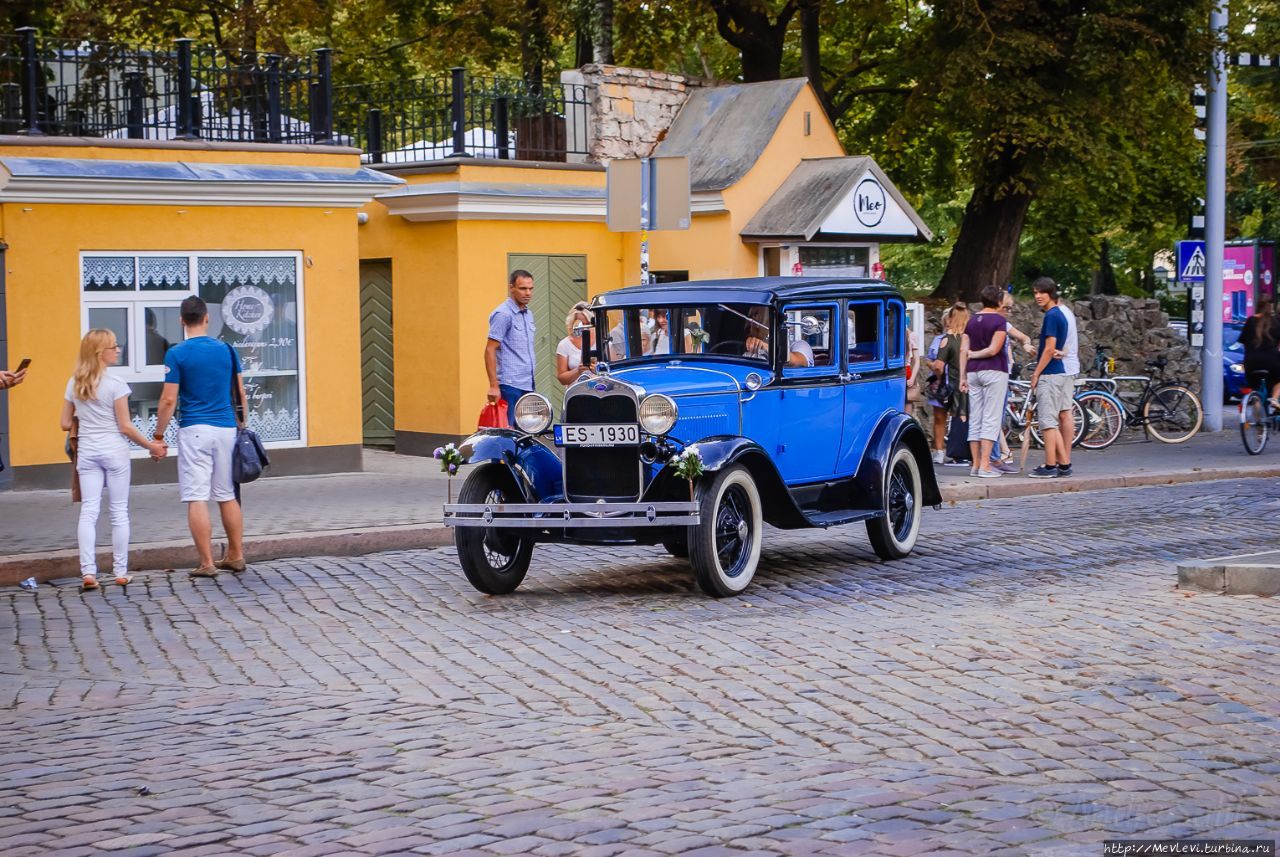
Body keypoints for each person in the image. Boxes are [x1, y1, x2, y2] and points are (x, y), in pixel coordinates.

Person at [60, 329, 166, 590]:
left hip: (87, 451)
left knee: (89, 511)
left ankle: (88, 573)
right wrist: (151, 446)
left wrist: (85, 418)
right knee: (118, 512)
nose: (118, 350)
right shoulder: (116, 384)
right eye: (113, 347)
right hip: (114, 452)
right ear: (100, 353)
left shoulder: (74, 383)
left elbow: (64, 423)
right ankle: (120, 571)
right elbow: (125, 427)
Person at [153, 295, 248, 578]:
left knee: (196, 496)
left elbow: (169, 400)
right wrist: (241, 425)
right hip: (226, 428)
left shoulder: (176, 353)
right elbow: (240, 393)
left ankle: (207, 563)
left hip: (195, 429)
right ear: (207, 318)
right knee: (226, 494)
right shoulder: (228, 351)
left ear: (182, 321)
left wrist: (158, 434)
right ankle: (236, 555)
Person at [960, 285, 1010, 478]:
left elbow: (963, 350)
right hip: (994, 370)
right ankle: (985, 465)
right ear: (998, 302)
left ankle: (975, 464)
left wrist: (963, 376)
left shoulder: (971, 321)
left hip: (972, 373)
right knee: (991, 418)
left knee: (976, 418)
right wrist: (976, 354)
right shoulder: (999, 321)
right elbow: (993, 349)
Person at [1027, 277, 1075, 478]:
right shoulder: (1061, 315)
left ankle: (1050, 465)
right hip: (1061, 372)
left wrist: (1036, 373)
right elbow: (1059, 348)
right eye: (1035, 292)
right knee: (1058, 416)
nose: (1038, 296)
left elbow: (1049, 348)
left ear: (1051, 293)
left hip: (1050, 374)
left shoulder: (1051, 316)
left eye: (1041, 292)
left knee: (1048, 421)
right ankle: (1064, 464)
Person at [485, 270, 537, 425]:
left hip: (528, 383)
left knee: (527, 432)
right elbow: (490, 349)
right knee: (509, 433)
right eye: (522, 288)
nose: (527, 293)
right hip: (510, 385)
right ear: (511, 288)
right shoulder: (503, 314)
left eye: (530, 289)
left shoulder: (528, 314)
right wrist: (494, 386)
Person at [936, 302, 971, 466]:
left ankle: (959, 454)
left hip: (957, 382)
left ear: (950, 319)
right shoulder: (970, 337)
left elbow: (939, 365)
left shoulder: (948, 339)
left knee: (959, 415)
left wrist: (936, 374)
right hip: (974, 381)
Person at [1241, 296, 1280, 407]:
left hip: (1251, 362)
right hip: (1272, 362)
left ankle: (1258, 414)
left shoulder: (1250, 321)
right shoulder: (1275, 322)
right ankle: (1274, 399)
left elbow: (1244, 342)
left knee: (1255, 388)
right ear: (1270, 307)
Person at [925, 309, 951, 463]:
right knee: (939, 417)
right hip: (938, 383)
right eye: (946, 320)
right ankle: (939, 450)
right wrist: (932, 365)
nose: (948, 323)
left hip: (954, 381)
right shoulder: (938, 339)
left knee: (960, 417)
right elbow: (928, 359)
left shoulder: (962, 339)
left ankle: (960, 451)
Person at [555, 302, 596, 386]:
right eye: (580, 324)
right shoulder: (564, 344)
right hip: (575, 392)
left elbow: (614, 370)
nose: (584, 328)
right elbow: (562, 378)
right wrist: (578, 370)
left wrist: (597, 369)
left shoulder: (602, 341)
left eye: (587, 324)